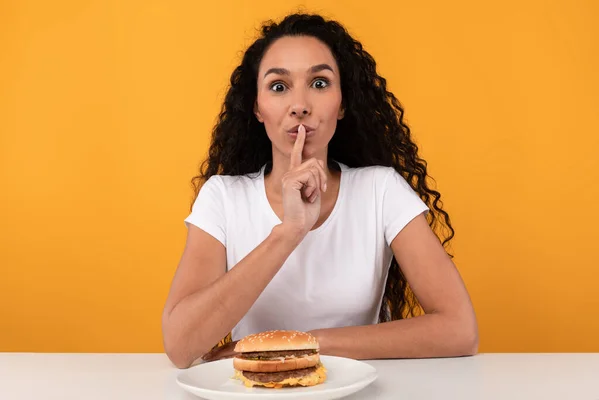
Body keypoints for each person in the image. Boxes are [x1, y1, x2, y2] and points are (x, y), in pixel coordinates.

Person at [161, 12, 478, 369]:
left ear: (343, 103)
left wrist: (304, 344)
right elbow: (180, 345)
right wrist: (288, 233)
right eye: (279, 87)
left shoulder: (381, 190)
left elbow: (459, 329)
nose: (300, 106)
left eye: (320, 83)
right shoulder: (223, 198)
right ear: (257, 107)